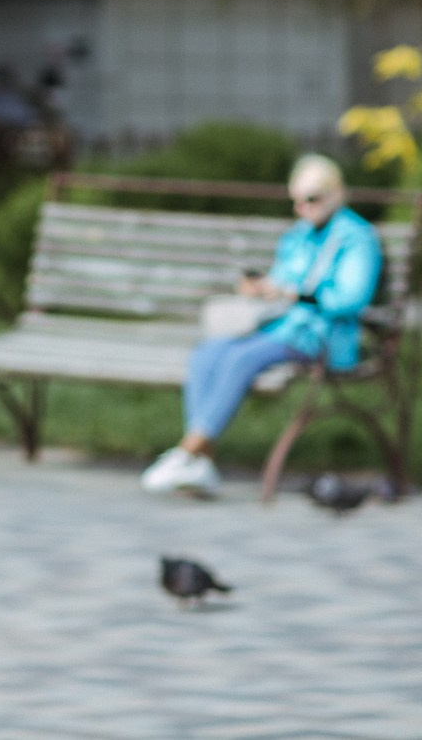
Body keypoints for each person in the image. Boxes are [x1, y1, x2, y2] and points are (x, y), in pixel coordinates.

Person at [140, 153, 383, 496]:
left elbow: (351, 297)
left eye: (312, 199)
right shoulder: (299, 236)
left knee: (240, 359)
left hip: (323, 337)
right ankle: (200, 464)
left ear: (336, 194)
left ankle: (186, 452)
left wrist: (295, 294)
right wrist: (262, 288)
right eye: (297, 202)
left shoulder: (357, 237)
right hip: (283, 328)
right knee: (208, 352)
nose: (303, 209)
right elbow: (281, 281)